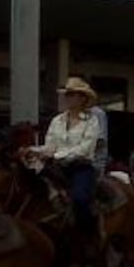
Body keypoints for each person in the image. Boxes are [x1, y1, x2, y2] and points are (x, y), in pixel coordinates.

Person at [25, 76, 103, 242]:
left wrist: (55, 155)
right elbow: (50, 146)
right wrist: (33, 150)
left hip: (81, 168)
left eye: (71, 94)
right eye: (66, 94)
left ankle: (88, 238)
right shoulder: (57, 120)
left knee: (80, 199)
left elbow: (85, 149)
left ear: (82, 98)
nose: (67, 98)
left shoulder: (92, 121)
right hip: (57, 168)